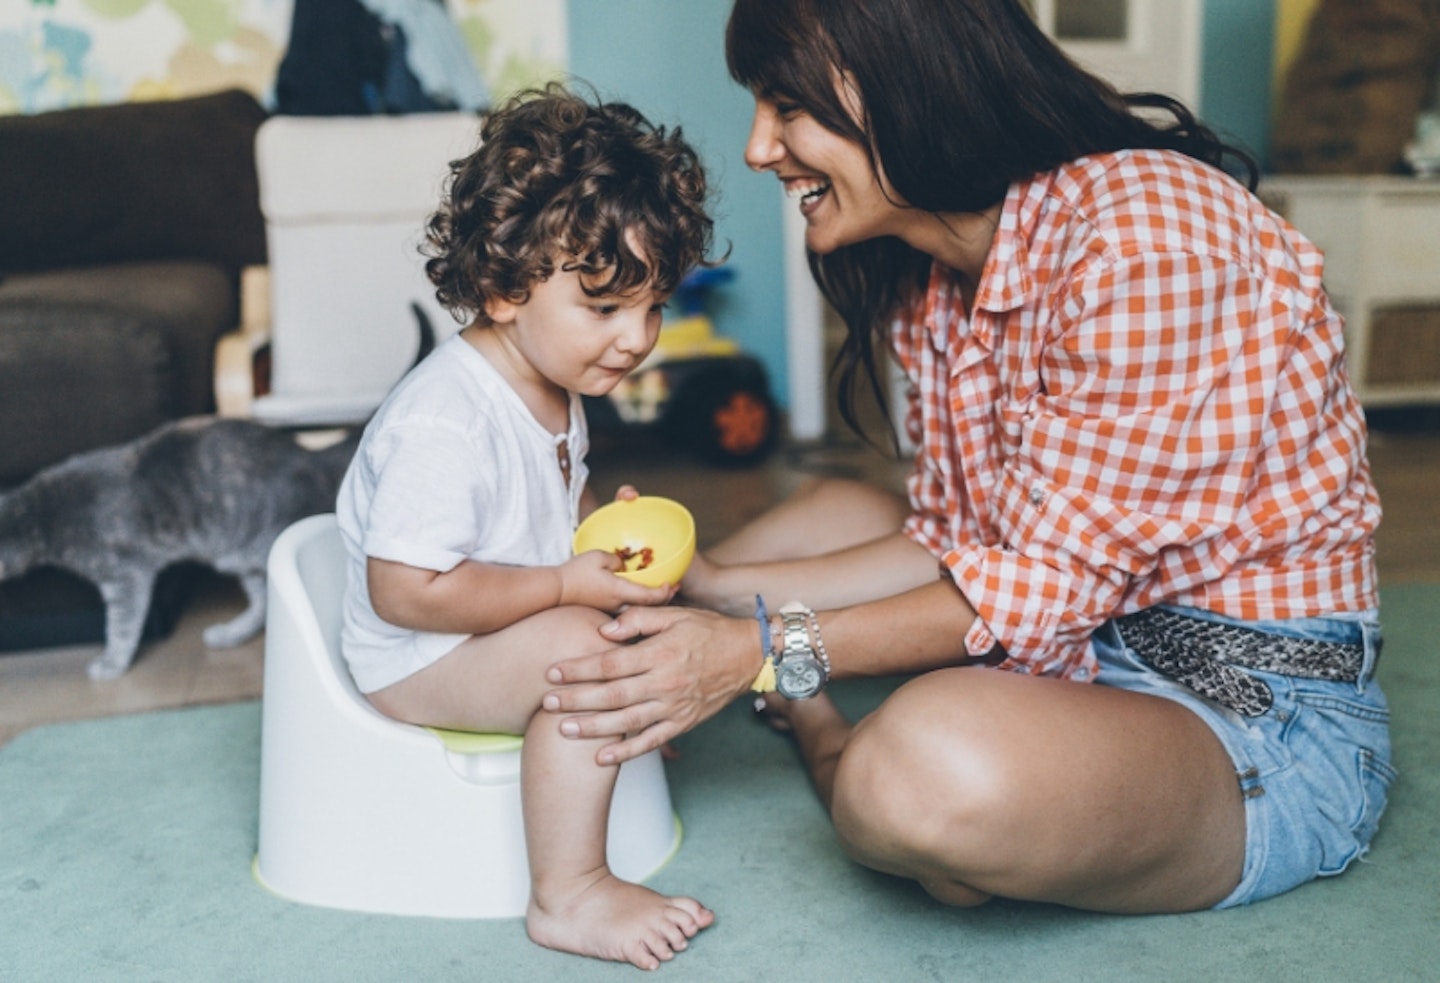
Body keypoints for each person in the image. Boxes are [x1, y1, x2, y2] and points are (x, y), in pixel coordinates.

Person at [540, 0, 1394, 915]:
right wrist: (711, 585)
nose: (758, 148)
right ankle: (769, 662)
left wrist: (758, 652)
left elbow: (1037, 585)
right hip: (1072, 650)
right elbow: (960, 538)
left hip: (1255, 713)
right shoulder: (937, 276)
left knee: (914, 776)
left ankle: (824, 736)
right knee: (848, 511)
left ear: (908, 80)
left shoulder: (1147, 240)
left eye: (785, 105)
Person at [334, 85, 717, 969]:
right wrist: (562, 586)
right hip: (413, 657)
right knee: (593, 649)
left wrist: (593, 542)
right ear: (506, 288)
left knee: (631, 618)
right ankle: (570, 892)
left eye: (654, 305)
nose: (636, 338)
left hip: (484, 623)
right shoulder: (446, 420)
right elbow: (404, 591)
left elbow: (547, 506)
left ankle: (625, 715)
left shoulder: (553, 383)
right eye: (606, 306)